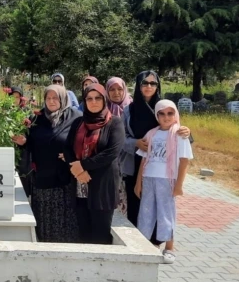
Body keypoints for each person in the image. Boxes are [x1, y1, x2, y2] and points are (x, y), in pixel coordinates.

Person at [122, 71, 190, 230]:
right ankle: (137, 240)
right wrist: (135, 143)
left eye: (153, 83)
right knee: (136, 200)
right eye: (144, 83)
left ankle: (157, 241)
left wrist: (187, 131)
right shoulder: (129, 110)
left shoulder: (164, 106)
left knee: (161, 205)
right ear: (138, 85)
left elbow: (176, 127)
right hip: (136, 161)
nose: (148, 86)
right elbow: (120, 137)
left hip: (161, 165)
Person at [12, 85, 81, 242]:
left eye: (55, 98)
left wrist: (73, 155)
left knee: (65, 224)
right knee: (43, 223)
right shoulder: (38, 118)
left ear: (63, 98)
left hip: (65, 181)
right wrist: (24, 142)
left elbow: (82, 142)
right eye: (48, 98)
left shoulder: (75, 117)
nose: (51, 101)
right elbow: (32, 142)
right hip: (42, 181)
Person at [64, 83, 124, 244]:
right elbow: (67, 148)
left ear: (104, 100)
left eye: (98, 98)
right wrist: (78, 171)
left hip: (102, 186)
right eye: (89, 98)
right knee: (83, 232)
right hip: (80, 184)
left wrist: (82, 166)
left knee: (100, 234)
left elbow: (111, 152)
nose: (94, 101)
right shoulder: (78, 123)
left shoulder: (115, 123)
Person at [134, 100, 192, 264]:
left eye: (170, 113)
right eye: (162, 113)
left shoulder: (179, 134)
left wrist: (179, 185)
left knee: (166, 213)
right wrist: (138, 183)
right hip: (149, 178)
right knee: (146, 212)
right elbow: (144, 160)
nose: (166, 117)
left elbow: (184, 161)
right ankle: (144, 245)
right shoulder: (151, 134)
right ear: (156, 115)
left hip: (167, 180)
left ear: (175, 115)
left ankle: (169, 247)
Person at [106, 77, 133, 215]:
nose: (116, 92)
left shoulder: (132, 109)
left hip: (128, 165)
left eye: (119, 89)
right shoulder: (102, 109)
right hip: (109, 166)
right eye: (112, 89)